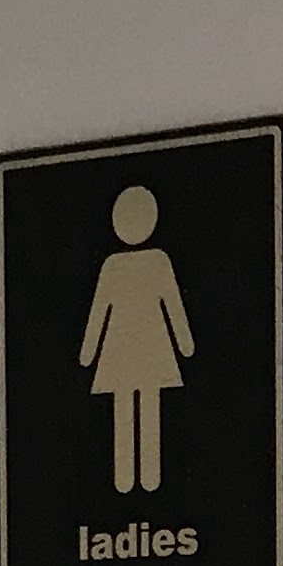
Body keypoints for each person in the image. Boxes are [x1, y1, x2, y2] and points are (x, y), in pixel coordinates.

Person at [79, 185, 196, 495]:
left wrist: (185, 344)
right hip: (131, 349)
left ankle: (146, 478)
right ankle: (128, 479)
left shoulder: (154, 262)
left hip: (136, 348)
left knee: (143, 407)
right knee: (130, 407)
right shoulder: (118, 265)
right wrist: (88, 353)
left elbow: (172, 305)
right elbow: (100, 310)